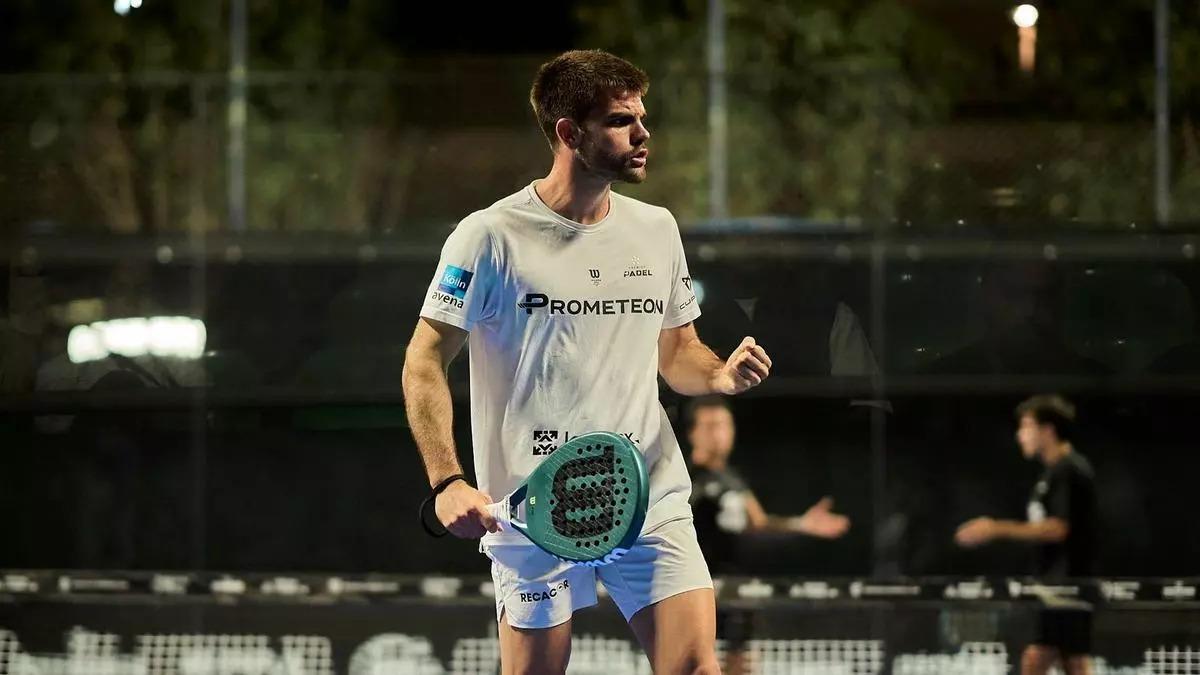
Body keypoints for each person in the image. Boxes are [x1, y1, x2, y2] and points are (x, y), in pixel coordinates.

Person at [402, 50, 773, 675]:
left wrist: (716, 374)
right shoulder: (488, 237)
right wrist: (446, 481)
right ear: (569, 134)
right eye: (621, 120)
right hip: (532, 511)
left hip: (647, 495)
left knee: (696, 670)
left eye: (641, 116)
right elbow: (424, 359)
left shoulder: (657, 230)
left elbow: (678, 351)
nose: (643, 133)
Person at [686, 395, 849, 675]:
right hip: (696, 591)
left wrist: (801, 524)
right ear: (693, 433)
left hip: (738, 591)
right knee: (691, 665)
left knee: (742, 664)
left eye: (725, 425)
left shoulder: (733, 479)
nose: (719, 434)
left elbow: (758, 522)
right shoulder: (682, 477)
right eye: (711, 426)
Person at [955, 394, 1098, 675]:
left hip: (1068, 587)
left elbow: (1058, 528)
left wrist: (994, 528)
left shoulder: (1070, 470)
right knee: (1066, 661)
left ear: (1047, 430)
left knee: (1047, 659)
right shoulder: (1049, 474)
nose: (1021, 435)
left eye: (1026, 426)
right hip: (1051, 587)